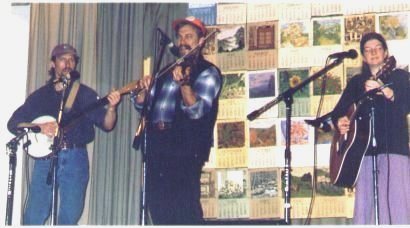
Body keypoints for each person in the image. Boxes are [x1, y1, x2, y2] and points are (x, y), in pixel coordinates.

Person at [7, 43, 121, 225]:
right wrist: (39, 127)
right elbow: (14, 123)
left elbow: (107, 124)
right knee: (33, 217)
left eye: (72, 59)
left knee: (69, 218)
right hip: (45, 159)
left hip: (75, 157)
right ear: (53, 64)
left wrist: (112, 108)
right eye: (62, 59)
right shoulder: (40, 96)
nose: (68, 63)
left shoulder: (84, 94)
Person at [131, 16, 222, 225]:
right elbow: (142, 105)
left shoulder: (209, 72)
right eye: (180, 37)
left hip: (185, 149)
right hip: (157, 147)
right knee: (158, 209)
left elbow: (197, 110)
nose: (183, 41)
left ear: (201, 41)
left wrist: (184, 84)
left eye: (189, 36)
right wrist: (143, 93)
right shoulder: (165, 72)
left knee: (184, 211)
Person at [331, 32, 410, 224]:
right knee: (367, 208)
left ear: (385, 53)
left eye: (377, 48)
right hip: (363, 153)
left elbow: (406, 105)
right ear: (364, 57)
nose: (373, 52)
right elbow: (338, 112)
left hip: (394, 150)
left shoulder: (400, 76)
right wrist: (340, 121)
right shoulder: (357, 82)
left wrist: (387, 90)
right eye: (368, 50)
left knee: (397, 205)